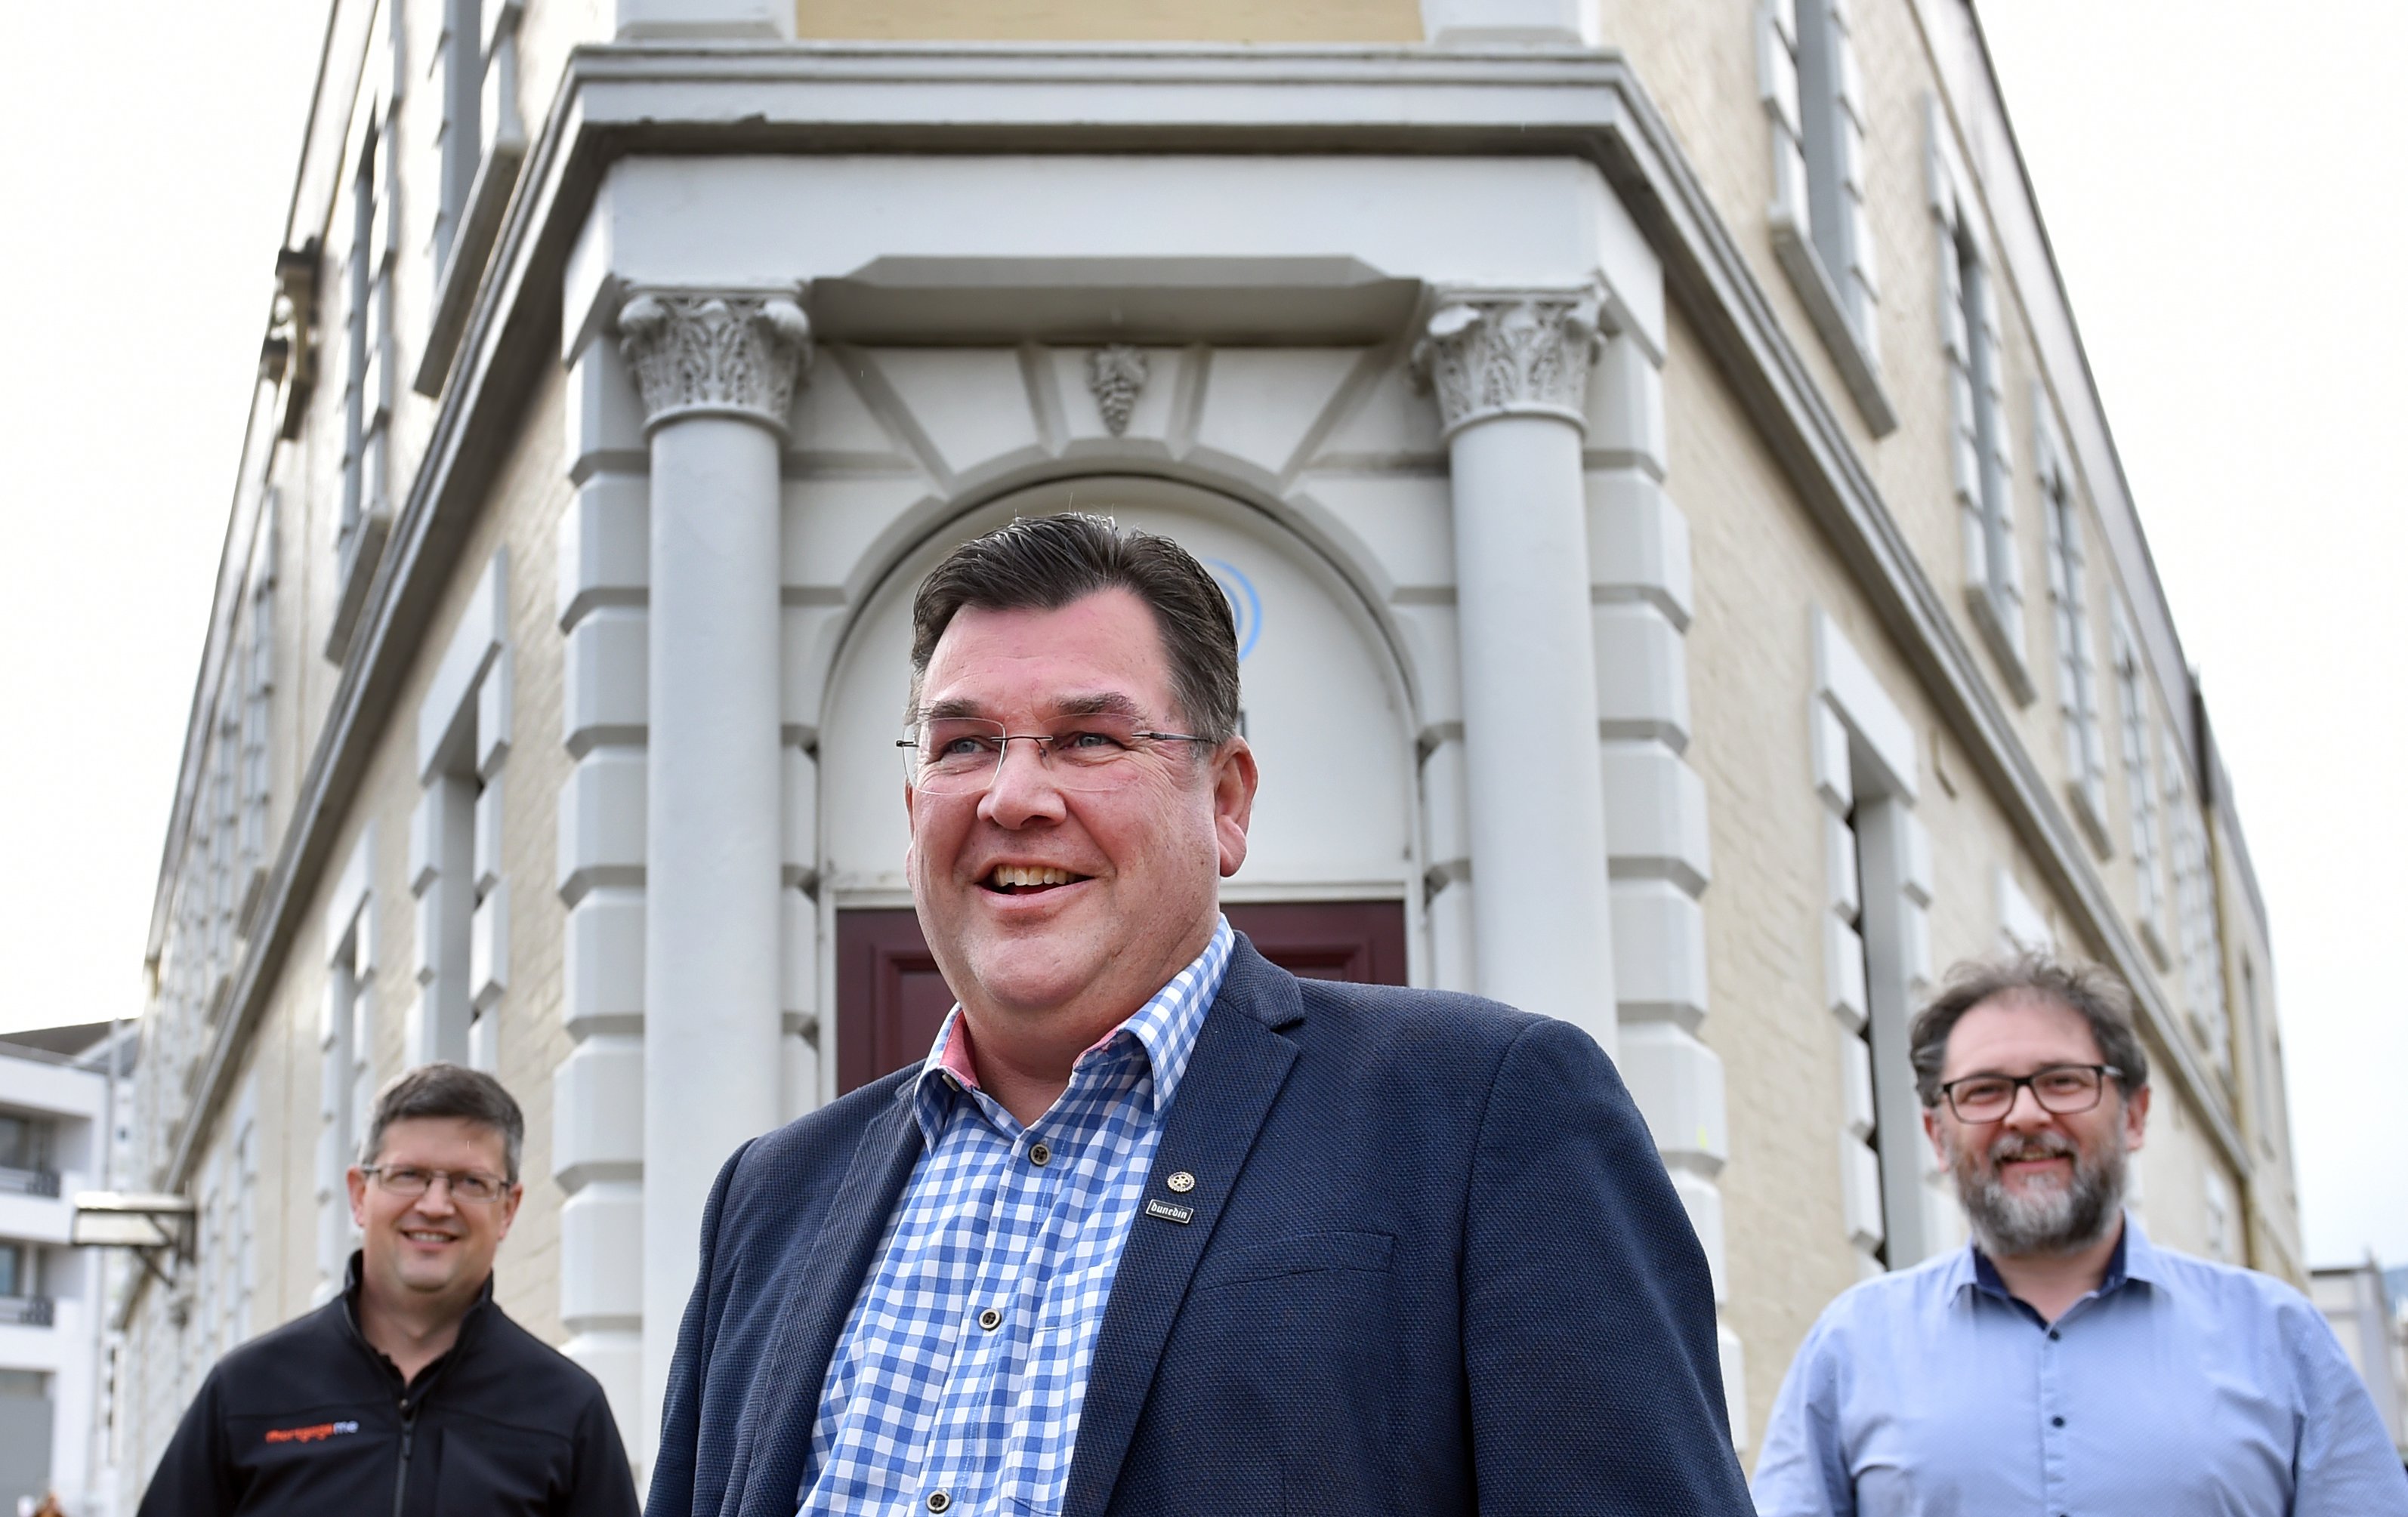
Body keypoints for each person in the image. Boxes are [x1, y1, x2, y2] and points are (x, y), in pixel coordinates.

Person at [648, 513, 1752, 1515]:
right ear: (913, 806)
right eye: (963, 744)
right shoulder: (771, 1198)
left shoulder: (1481, 1112)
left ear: (1224, 804)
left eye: (1089, 738)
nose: (1012, 795)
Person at [1753, 955, 2408, 1515]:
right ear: (1937, 1135)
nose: (2027, 1113)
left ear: (2135, 1115)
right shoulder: (1850, 1347)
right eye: (1983, 1090)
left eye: (2062, 1080)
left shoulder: (2279, 1336)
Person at [139, 1064, 641, 1515]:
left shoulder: (567, 1411)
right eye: (409, 1175)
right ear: (360, 1194)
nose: (436, 1204)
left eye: (470, 1181)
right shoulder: (246, 1392)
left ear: (507, 1208)